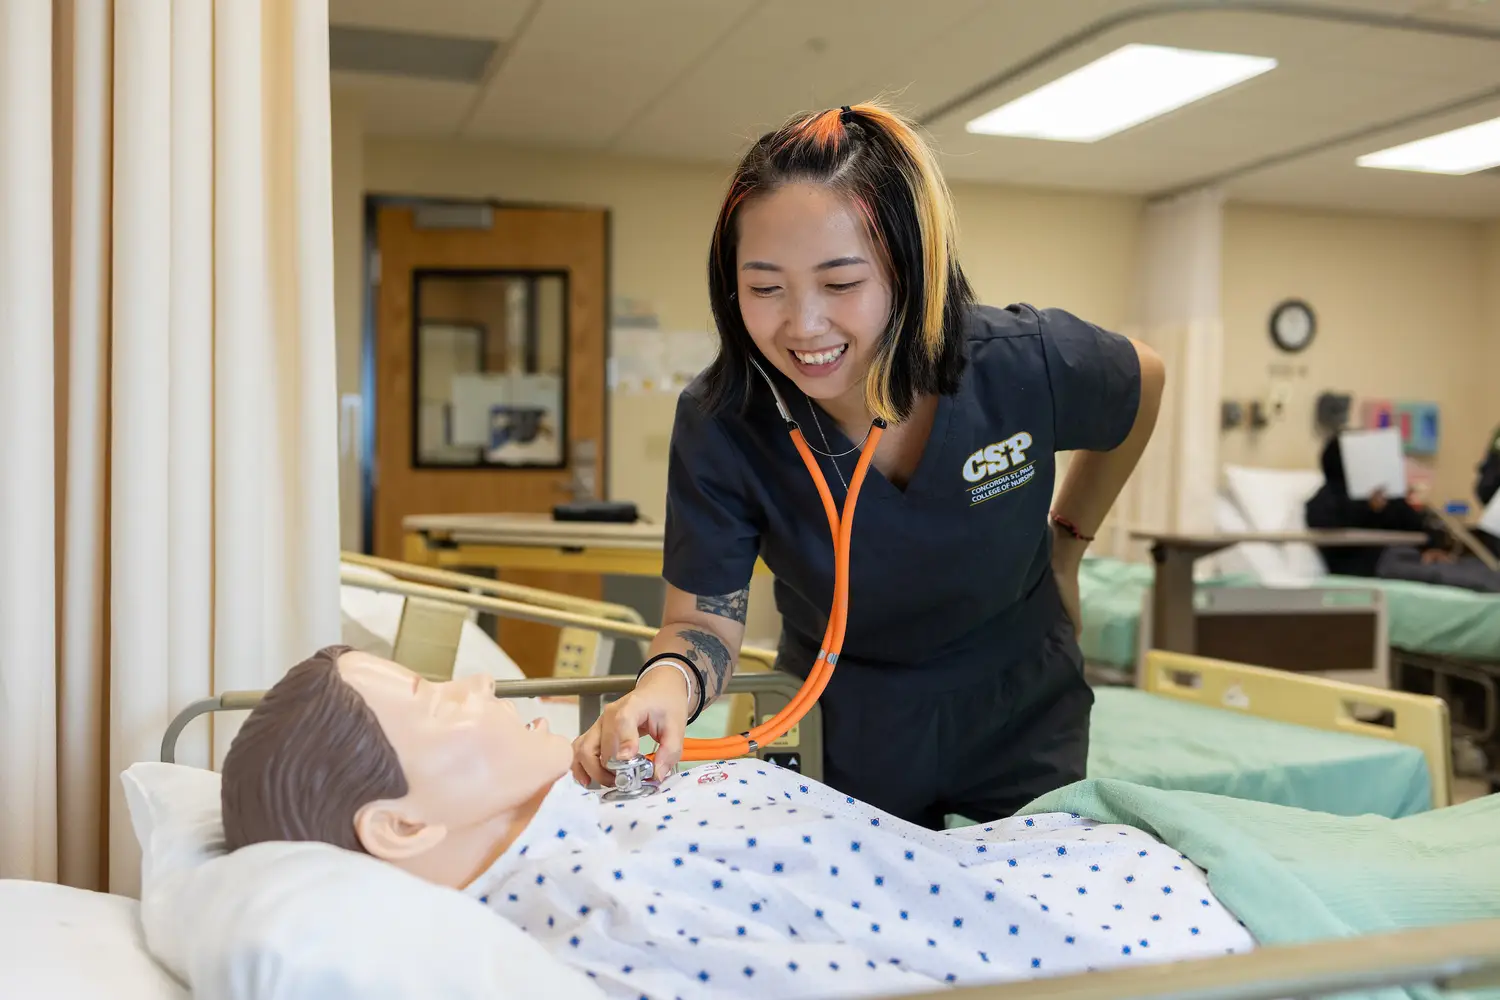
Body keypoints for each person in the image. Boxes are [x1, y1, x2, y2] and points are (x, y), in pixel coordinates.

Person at [570, 100, 1165, 829]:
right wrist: (662, 690)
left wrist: (1068, 542)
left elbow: (1146, 382)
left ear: (910, 271)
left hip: (1020, 702)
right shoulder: (725, 420)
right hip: (848, 716)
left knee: (1016, 916)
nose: (803, 323)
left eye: (841, 283)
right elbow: (701, 623)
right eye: (765, 288)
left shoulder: (1020, 363)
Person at [220, 647, 1255, 999]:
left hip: (1061, 851)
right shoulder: (604, 909)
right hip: (1155, 921)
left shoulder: (572, 825)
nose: (483, 679)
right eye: (441, 699)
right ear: (398, 828)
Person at [1304, 434, 1500, 593]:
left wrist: (1433, 547)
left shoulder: (1385, 494)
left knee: (1473, 567)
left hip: (1410, 554)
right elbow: (1327, 525)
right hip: (1373, 565)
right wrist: (1369, 508)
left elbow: (1418, 522)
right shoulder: (1326, 499)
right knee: (1448, 576)